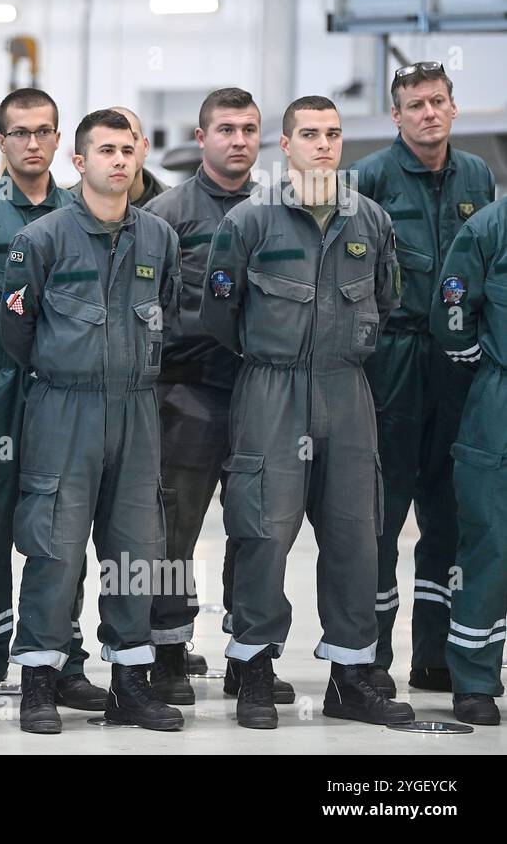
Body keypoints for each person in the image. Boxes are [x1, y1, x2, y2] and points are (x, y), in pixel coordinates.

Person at [201, 95, 414, 729]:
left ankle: (351, 677)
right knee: (263, 530)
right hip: (271, 390)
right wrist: (269, 359)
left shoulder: (370, 221)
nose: (323, 144)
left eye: (333, 133)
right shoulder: (249, 222)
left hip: (346, 392)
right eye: (310, 134)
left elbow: (388, 298)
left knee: (356, 533)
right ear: (286, 147)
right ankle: (256, 671)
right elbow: (219, 314)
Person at [1, 108, 184, 733]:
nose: (119, 160)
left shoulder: (159, 239)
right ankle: (39, 684)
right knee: (54, 546)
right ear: (78, 162)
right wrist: (69, 369)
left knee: (136, 550)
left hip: (136, 408)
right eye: (105, 150)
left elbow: (171, 317)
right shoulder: (42, 239)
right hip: (63, 407)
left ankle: (131, 684)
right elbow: (16, 332)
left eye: (128, 149)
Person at [0, 88, 105, 715]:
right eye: (20, 133)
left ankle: (60, 659)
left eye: (43, 132)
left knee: (63, 531)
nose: (32, 143)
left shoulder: (81, 212)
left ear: (59, 141)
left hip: (63, 395)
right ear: (1, 140)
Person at [350, 62, 498, 697]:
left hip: (460, 364)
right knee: (382, 512)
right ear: (397, 115)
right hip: (394, 355)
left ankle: (434, 656)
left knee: (450, 511)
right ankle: (372, 658)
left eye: (437, 101)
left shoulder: (478, 175)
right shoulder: (371, 178)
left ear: (453, 107)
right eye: (415, 105)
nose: (428, 113)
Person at [145, 88, 295, 705]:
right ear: (200, 138)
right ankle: (169, 649)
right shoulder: (168, 213)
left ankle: (248, 655)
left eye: (248, 129)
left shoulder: (278, 210)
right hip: (188, 395)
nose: (238, 140)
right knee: (175, 529)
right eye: (226, 129)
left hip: (263, 395)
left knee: (257, 527)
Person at [429, 194, 507, 726]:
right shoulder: (488, 229)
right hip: (498, 403)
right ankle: (475, 681)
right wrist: (489, 369)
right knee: (489, 541)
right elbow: (452, 314)